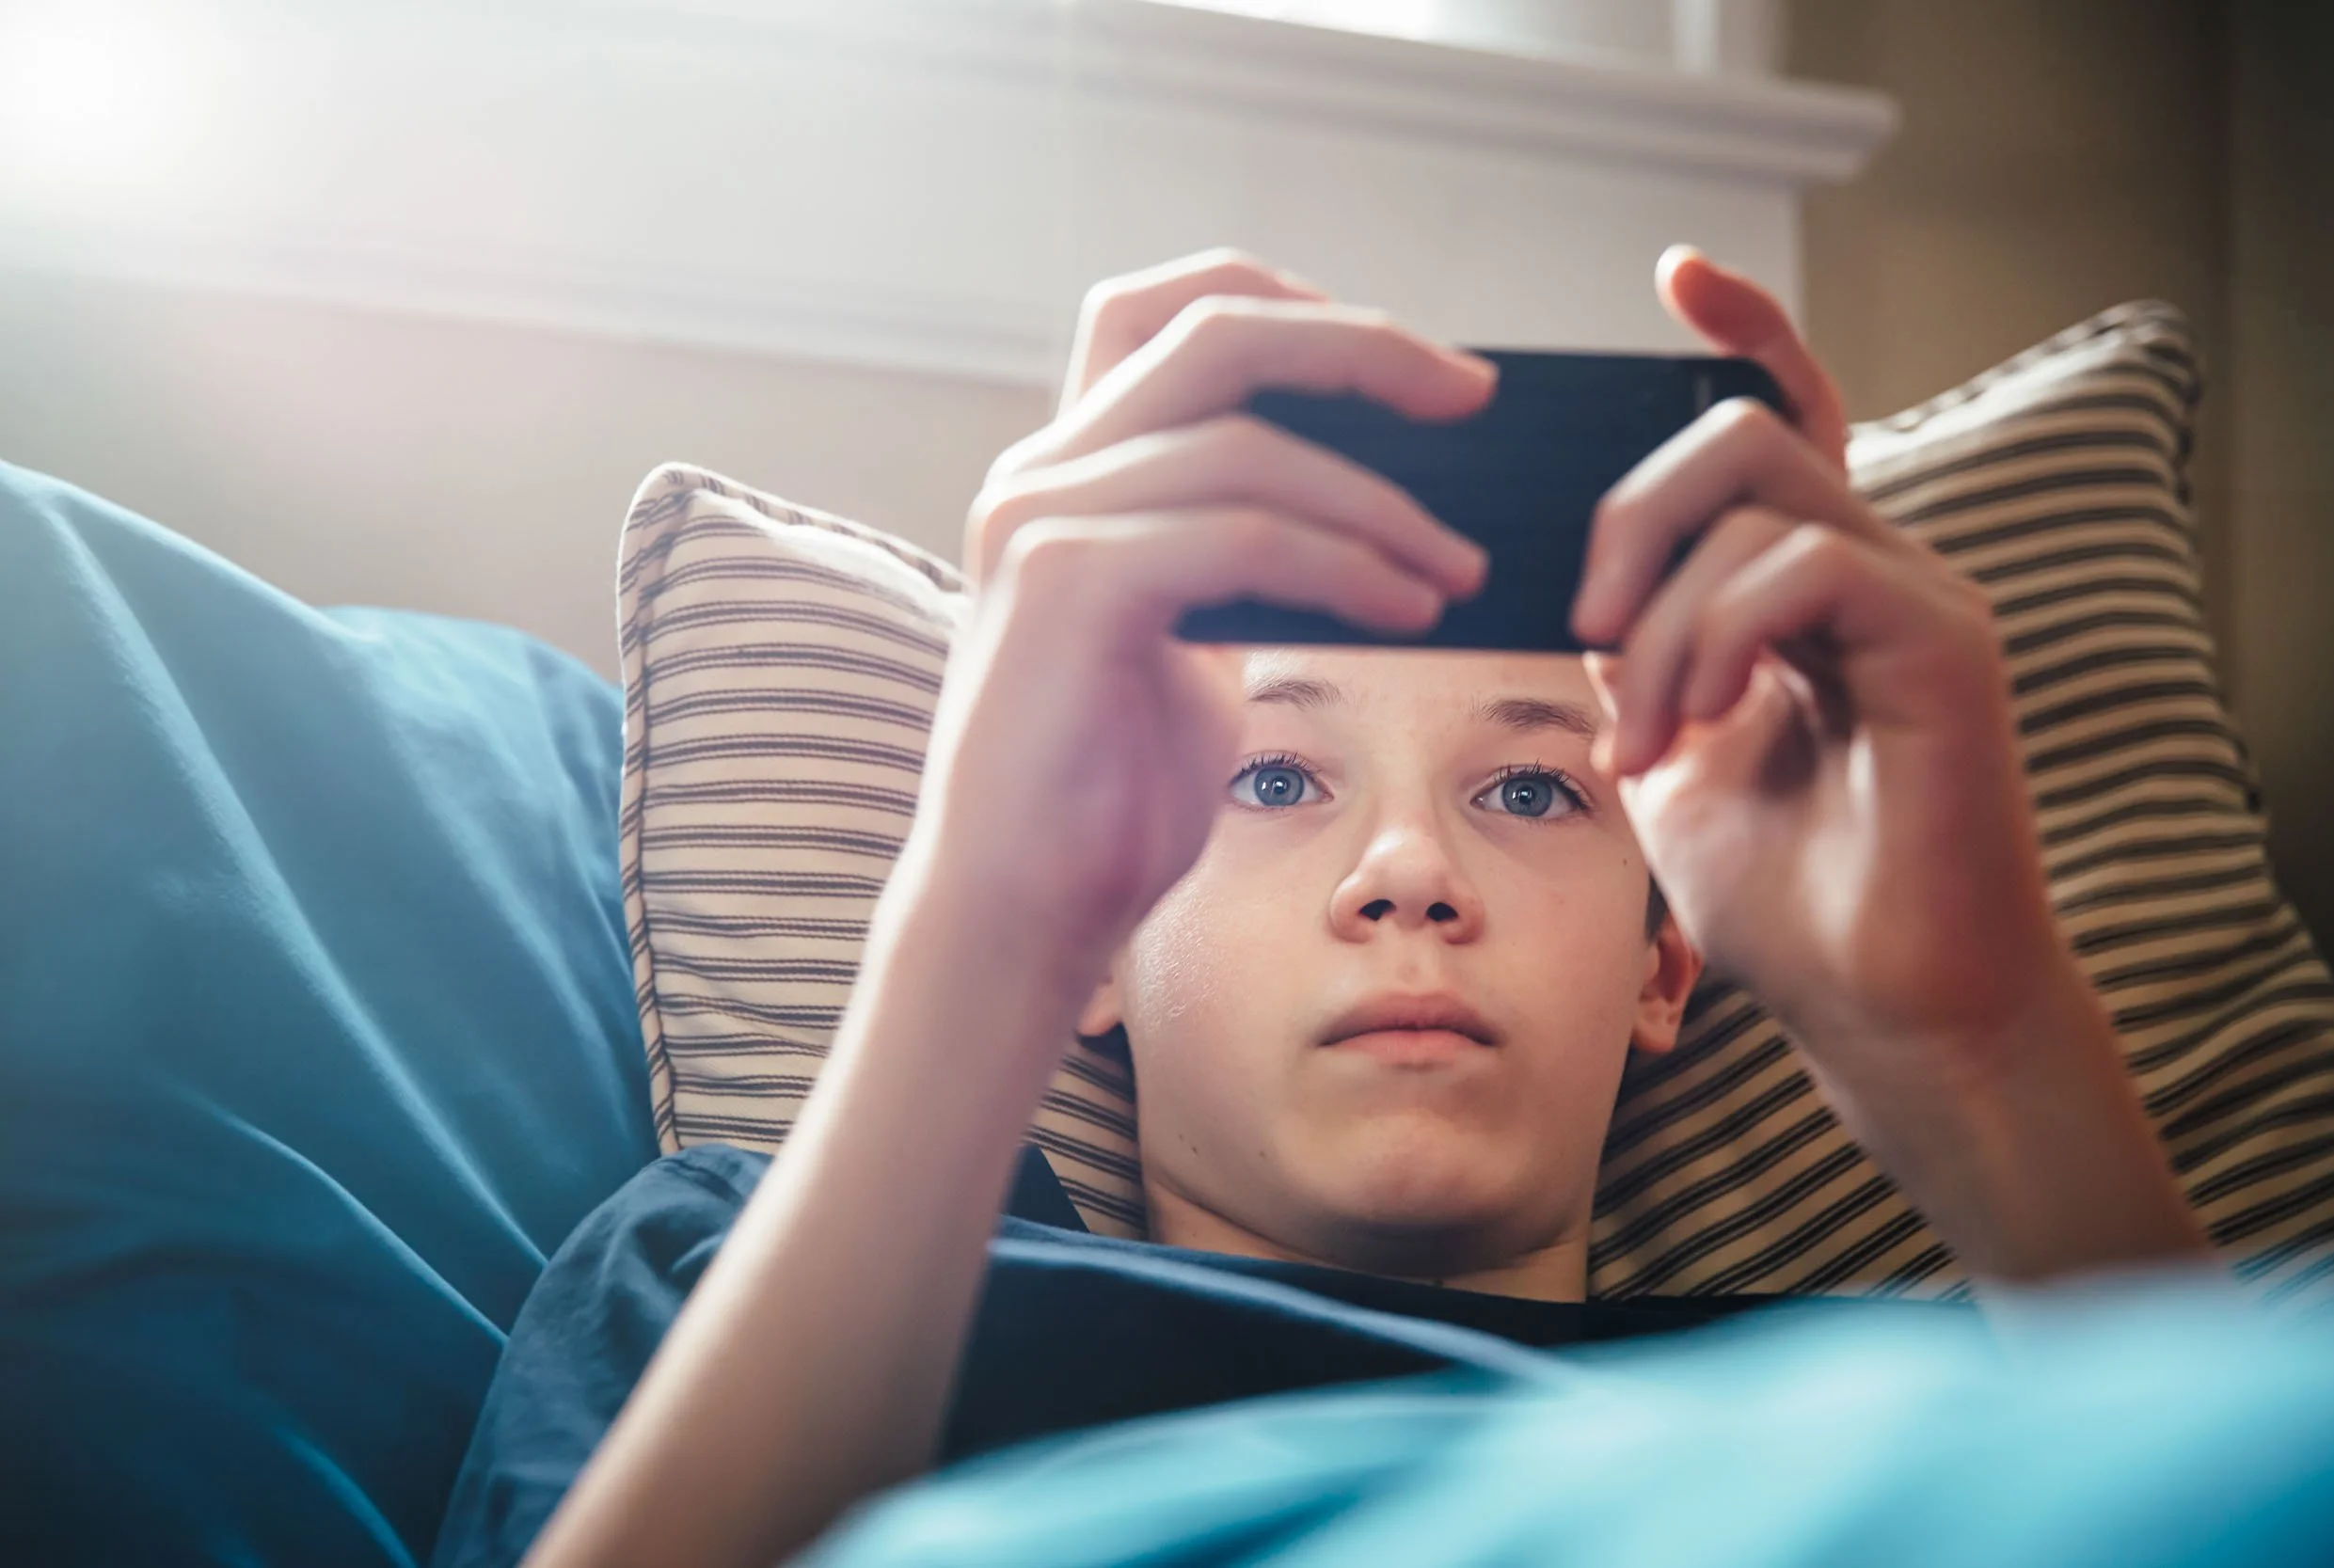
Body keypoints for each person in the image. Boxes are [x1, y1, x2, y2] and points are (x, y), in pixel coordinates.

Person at [429, 248, 2214, 1568]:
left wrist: (1987, 1048)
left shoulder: (1975, 1382)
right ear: (1108, 930)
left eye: (1531, 790)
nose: (1412, 872)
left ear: (1668, 960)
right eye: (1273, 781)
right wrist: (980, 933)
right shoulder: (748, 1275)